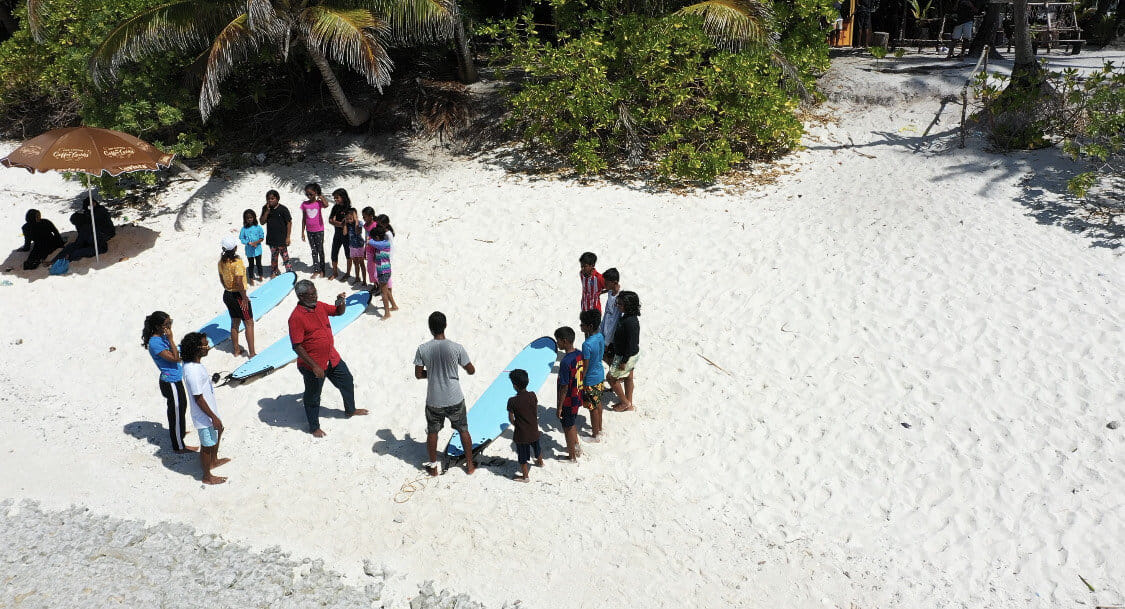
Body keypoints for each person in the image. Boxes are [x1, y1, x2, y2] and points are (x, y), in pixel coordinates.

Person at [288, 280, 368, 437]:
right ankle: (314, 427)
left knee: (347, 381)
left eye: (315, 292)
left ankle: (350, 410)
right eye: (312, 294)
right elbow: (297, 346)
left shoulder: (319, 305)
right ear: (302, 296)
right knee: (313, 396)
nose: (315, 295)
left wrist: (340, 302)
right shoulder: (296, 317)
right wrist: (315, 366)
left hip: (332, 357)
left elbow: (339, 312)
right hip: (313, 365)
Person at [414, 311, 476, 475]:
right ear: (445, 325)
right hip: (454, 397)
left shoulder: (422, 349)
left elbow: (418, 374)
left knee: (432, 432)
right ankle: (469, 465)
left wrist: (433, 373)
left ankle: (433, 467)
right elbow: (471, 370)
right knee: (463, 429)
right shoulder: (457, 347)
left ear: (430, 328)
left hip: (434, 399)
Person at [142, 311, 196, 454]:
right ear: (157, 326)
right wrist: (171, 339)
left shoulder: (162, 337)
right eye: (167, 324)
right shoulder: (155, 343)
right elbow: (174, 358)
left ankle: (179, 432)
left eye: (170, 322)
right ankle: (179, 446)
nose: (169, 326)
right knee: (176, 411)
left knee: (181, 407)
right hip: (169, 382)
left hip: (175, 379)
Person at [180, 332, 229, 485]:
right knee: (207, 445)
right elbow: (198, 398)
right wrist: (213, 417)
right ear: (196, 349)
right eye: (205, 344)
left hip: (210, 411)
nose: (208, 347)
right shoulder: (192, 371)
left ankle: (213, 461)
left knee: (218, 431)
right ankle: (207, 476)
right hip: (203, 415)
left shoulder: (195, 365)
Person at [219, 236, 256, 358]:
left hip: (227, 294)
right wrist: (244, 297)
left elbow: (221, 279)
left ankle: (236, 350)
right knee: (249, 323)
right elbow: (240, 282)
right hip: (238, 296)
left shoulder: (221, 262)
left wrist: (228, 288)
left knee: (235, 322)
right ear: (235, 248)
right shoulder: (237, 263)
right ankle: (252, 353)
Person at [506, 368, 542, 482]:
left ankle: (525, 476)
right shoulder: (532, 395)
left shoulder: (512, 401)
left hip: (522, 434)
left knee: (522, 456)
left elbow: (511, 418)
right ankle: (540, 462)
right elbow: (534, 411)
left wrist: (517, 424)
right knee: (537, 447)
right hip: (534, 430)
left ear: (514, 385)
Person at [554, 326, 584, 462]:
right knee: (571, 423)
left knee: (567, 427)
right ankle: (576, 446)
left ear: (565, 341)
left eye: (558, 340)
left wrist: (559, 407)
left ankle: (571, 456)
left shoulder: (565, 362)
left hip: (568, 400)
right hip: (577, 395)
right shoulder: (579, 354)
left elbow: (564, 387)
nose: (557, 343)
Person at [608, 291, 640, 412]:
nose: (618, 306)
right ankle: (629, 403)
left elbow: (632, 343)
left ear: (628, 305)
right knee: (628, 378)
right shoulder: (626, 317)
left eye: (620, 304)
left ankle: (625, 402)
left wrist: (624, 361)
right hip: (628, 355)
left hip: (626, 356)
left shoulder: (631, 322)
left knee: (611, 378)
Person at [579, 309, 606, 441]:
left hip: (590, 379)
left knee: (592, 408)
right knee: (598, 403)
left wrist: (581, 380)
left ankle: (595, 435)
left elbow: (585, 365)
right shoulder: (600, 336)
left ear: (589, 326)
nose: (580, 326)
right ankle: (599, 429)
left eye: (582, 324)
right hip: (600, 374)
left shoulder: (586, 344)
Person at [260, 189, 293, 276]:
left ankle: (289, 271)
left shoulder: (283, 209)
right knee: (274, 256)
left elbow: (289, 222)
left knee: (285, 256)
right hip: (271, 238)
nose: (270, 201)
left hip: (282, 238)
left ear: (277, 199)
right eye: (268, 199)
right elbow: (262, 222)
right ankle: (275, 271)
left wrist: (288, 237)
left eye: (272, 198)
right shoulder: (265, 208)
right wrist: (267, 212)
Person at [300, 182, 329, 278]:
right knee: (313, 250)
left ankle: (322, 269)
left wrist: (320, 196)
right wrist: (302, 231)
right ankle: (316, 270)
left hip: (319, 230)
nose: (308, 196)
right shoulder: (305, 204)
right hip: (309, 231)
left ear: (315, 193)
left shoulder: (318, 203)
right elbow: (304, 218)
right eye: (307, 194)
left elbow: (326, 205)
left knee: (320, 249)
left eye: (311, 194)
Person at [367, 225, 397, 318]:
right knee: (386, 290)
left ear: (377, 237)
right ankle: (394, 306)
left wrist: (369, 239)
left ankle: (387, 313)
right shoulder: (380, 244)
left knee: (383, 293)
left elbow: (370, 242)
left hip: (384, 272)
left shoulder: (384, 244)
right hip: (383, 271)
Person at [327, 188, 352, 280]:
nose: (335, 200)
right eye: (334, 198)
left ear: (343, 197)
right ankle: (335, 272)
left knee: (348, 254)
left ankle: (348, 273)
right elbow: (330, 220)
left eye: (337, 197)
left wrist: (336, 222)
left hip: (347, 235)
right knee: (334, 253)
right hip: (337, 234)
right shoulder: (335, 207)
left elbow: (349, 223)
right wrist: (340, 224)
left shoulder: (349, 208)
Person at [598, 267, 622, 352]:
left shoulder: (620, 298)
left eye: (606, 282)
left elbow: (614, 321)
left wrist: (606, 342)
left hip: (612, 338)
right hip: (605, 330)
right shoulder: (610, 292)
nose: (604, 284)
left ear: (614, 282)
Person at [239, 209, 265, 285]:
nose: (249, 219)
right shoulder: (244, 229)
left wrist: (256, 242)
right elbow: (241, 238)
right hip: (249, 251)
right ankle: (251, 278)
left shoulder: (258, 227)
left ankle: (260, 276)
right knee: (251, 265)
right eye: (247, 218)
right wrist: (248, 243)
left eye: (251, 217)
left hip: (258, 250)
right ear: (245, 219)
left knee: (259, 264)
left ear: (254, 217)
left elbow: (262, 237)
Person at [344, 208, 367, 285]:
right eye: (347, 218)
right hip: (352, 246)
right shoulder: (348, 224)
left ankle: (364, 281)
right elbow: (344, 233)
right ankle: (357, 277)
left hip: (359, 246)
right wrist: (345, 223)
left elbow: (357, 231)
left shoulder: (359, 223)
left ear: (355, 217)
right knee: (355, 263)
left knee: (361, 263)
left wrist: (356, 220)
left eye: (351, 218)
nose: (349, 220)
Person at [361, 207, 378, 290]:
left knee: (374, 270)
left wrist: (376, 252)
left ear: (371, 216)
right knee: (370, 269)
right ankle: (375, 284)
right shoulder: (366, 226)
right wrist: (365, 250)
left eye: (365, 217)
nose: (364, 218)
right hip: (368, 250)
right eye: (363, 217)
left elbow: (377, 239)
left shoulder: (375, 225)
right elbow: (366, 238)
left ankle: (379, 286)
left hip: (374, 251)